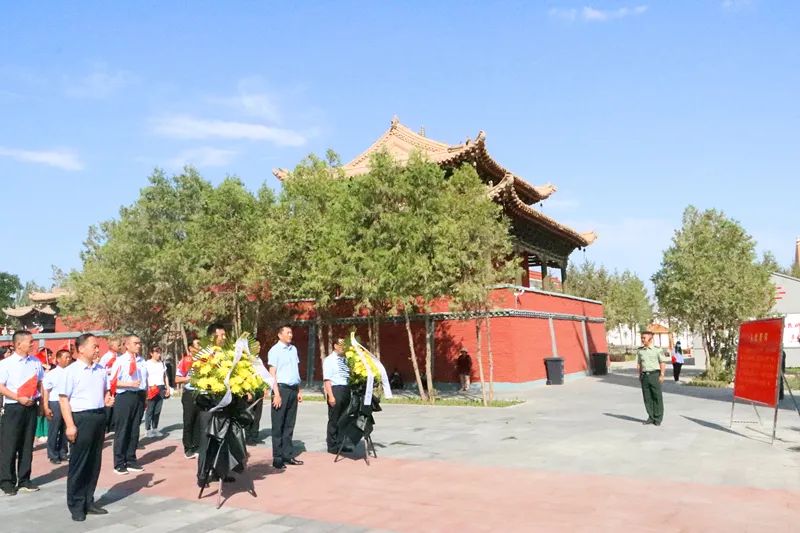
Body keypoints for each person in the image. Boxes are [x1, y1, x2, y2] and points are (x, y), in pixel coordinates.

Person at [59, 333, 114, 521]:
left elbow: (104, 391)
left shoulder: (100, 370)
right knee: (79, 463)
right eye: (94, 346)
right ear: (81, 349)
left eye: (98, 346)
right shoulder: (71, 371)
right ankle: (76, 504)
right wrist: (70, 425)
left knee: (94, 462)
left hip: (98, 416)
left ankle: (88, 501)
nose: (97, 349)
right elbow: (64, 400)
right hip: (80, 418)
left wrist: (107, 399)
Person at [0, 330, 44, 495]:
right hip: (13, 407)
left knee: (27, 445)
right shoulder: (6, 364)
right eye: (30, 342)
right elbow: (1, 386)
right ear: (18, 344)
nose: (33, 344)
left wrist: (42, 404)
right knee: (9, 444)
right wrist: (18, 398)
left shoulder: (35, 362)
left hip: (31, 406)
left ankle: (24, 479)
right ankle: (6, 481)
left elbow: (40, 383)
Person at [109, 334, 147, 475]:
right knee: (123, 429)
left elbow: (145, 380)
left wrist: (145, 397)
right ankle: (119, 463)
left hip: (139, 396)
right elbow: (113, 382)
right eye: (135, 343)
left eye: (139, 343)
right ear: (127, 345)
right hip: (125, 396)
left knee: (134, 429)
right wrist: (130, 384)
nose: (138, 346)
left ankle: (131, 459)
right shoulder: (120, 361)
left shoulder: (141, 361)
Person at [268, 325, 303, 470]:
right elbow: (272, 373)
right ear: (280, 335)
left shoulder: (293, 349)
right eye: (287, 333)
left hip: (293, 389)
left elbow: (296, 370)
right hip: (281, 389)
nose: (290, 335)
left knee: (289, 424)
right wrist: (276, 394)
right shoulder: (274, 350)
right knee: (278, 425)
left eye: (291, 332)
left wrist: (299, 390)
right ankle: (277, 457)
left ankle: (288, 454)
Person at [323, 337, 352, 454]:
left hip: (346, 389)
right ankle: (332, 445)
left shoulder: (346, 360)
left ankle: (341, 443)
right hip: (335, 389)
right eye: (341, 345)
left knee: (344, 418)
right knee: (334, 419)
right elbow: (327, 380)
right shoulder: (329, 360)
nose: (344, 347)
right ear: (335, 346)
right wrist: (330, 395)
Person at [43, 348, 72, 464]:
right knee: (54, 429)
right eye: (66, 357)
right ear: (58, 359)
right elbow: (46, 391)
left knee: (66, 428)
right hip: (55, 402)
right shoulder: (52, 374)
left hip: (68, 403)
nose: (68, 359)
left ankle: (63, 452)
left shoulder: (72, 372)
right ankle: (53, 454)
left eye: (69, 357)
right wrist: (46, 406)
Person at [637, 331, 669, 426]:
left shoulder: (657, 350)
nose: (642, 340)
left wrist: (662, 375)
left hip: (654, 375)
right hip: (644, 376)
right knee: (647, 397)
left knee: (657, 397)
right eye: (642, 338)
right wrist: (639, 375)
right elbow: (639, 363)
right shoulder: (640, 351)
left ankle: (658, 418)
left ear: (650, 339)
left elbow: (662, 362)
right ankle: (651, 417)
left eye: (644, 338)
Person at [176, 338, 201, 458]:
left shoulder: (204, 360)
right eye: (197, 345)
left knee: (199, 421)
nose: (200, 347)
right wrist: (189, 379)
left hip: (201, 393)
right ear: (191, 348)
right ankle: (188, 448)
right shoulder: (185, 360)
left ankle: (197, 446)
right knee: (189, 421)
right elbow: (177, 379)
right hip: (189, 394)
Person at [144, 345, 170, 438]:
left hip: (161, 387)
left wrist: (167, 387)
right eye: (157, 352)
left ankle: (155, 428)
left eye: (159, 353)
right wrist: (146, 389)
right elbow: (145, 377)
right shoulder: (147, 364)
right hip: (151, 387)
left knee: (157, 410)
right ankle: (148, 430)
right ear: (151, 353)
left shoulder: (162, 364)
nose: (159, 354)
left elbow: (165, 376)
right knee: (150, 410)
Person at [99, 337, 120, 433]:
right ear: (112, 346)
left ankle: (113, 425)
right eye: (118, 345)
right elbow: (101, 369)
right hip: (109, 383)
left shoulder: (119, 357)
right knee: (108, 405)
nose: (119, 347)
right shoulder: (106, 357)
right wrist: (110, 370)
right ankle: (105, 425)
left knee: (115, 404)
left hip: (117, 384)